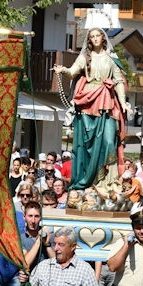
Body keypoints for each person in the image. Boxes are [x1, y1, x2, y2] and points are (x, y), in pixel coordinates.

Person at [53, 28, 129, 189]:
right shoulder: (84, 58)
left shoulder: (111, 59)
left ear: (103, 38)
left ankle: (109, 181)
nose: (95, 38)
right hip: (87, 102)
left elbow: (119, 82)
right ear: (89, 39)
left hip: (106, 102)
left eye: (97, 35)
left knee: (109, 141)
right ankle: (90, 179)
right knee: (88, 143)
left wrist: (123, 103)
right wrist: (63, 70)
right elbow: (72, 73)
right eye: (92, 36)